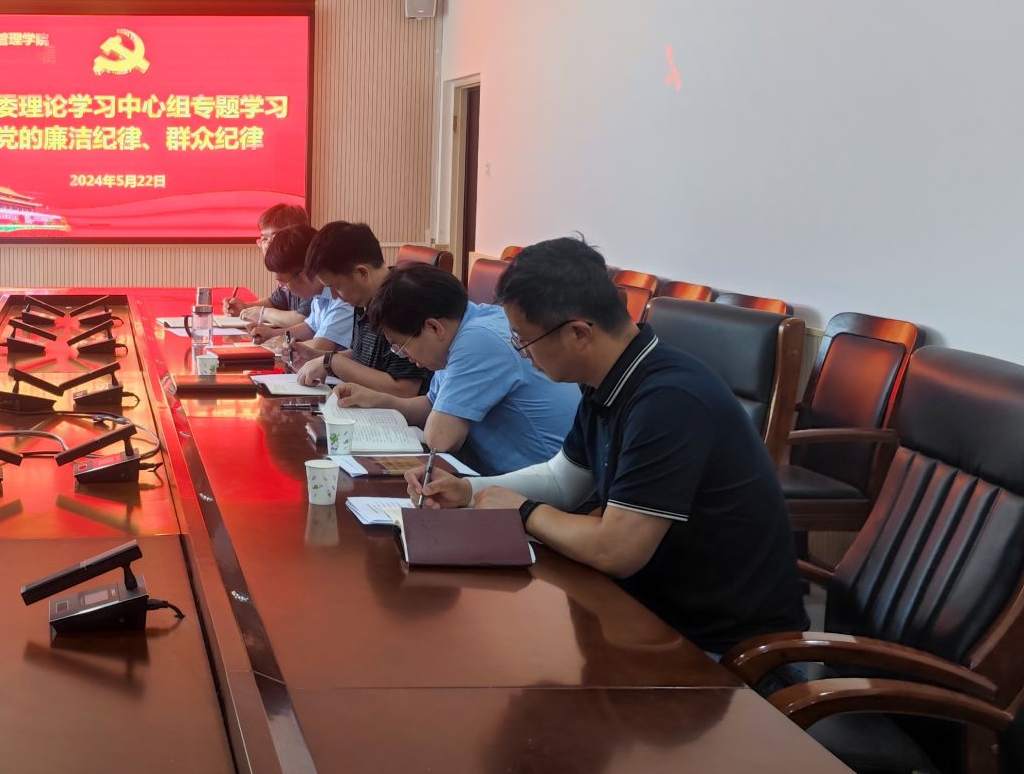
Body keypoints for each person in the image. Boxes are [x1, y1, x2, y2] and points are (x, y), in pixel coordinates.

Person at [407, 236, 807, 656]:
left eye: (523, 340)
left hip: (723, 650)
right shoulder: (609, 380)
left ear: (578, 333)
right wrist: (470, 490)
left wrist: (523, 511)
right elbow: (563, 480)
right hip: (645, 615)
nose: (522, 354)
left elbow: (617, 549)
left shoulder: (668, 400)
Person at [337, 263, 576, 474]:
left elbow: (441, 439)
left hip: (550, 488)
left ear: (434, 328)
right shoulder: (462, 327)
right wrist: (380, 401)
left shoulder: (478, 339)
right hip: (512, 478)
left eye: (402, 346)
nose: (403, 355)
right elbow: (432, 405)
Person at [294, 220, 427, 397]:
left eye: (336, 287)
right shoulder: (363, 300)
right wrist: (316, 356)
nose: (334, 296)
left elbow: (405, 390)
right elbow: (363, 358)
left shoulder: (402, 303)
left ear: (362, 273)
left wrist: (332, 363)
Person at [248, 225, 354, 355]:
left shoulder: (342, 297)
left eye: (284, 283)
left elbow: (321, 346)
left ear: (303, 275)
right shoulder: (319, 294)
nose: (282, 287)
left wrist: (282, 343)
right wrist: (272, 333)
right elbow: (310, 327)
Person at [225, 202, 310, 318]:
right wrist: (244, 307)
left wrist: (263, 313)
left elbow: (304, 318)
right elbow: (275, 302)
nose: (268, 245)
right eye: (264, 239)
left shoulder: (309, 273)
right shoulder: (287, 272)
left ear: (297, 236)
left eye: (276, 237)